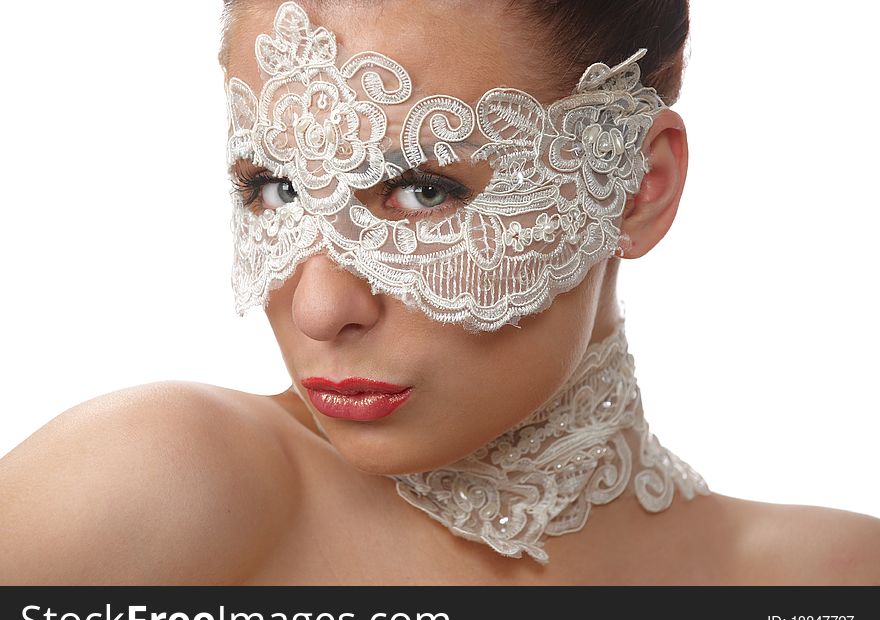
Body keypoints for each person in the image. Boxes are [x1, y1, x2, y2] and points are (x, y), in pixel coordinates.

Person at [1, 0, 878, 585]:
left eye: (422, 189)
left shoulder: (837, 578)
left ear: (637, 186)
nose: (317, 307)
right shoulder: (160, 482)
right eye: (276, 185)